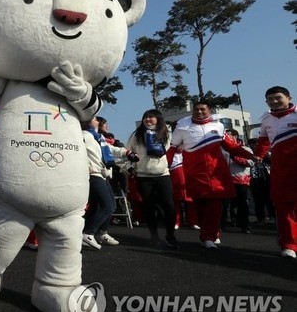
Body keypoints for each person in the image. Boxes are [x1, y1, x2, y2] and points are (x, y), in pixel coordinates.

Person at [167, 101, 259, 249]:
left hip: (217, 174)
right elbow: (172, 150)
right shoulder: (182, 128)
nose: (199, 112)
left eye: (203, 109)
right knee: (200, 207)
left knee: (215, 206)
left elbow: (232, 147)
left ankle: (209, 236)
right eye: (196, 109)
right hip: (195, 174)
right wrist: (165, 166)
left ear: (209, 110)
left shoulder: (218, 126)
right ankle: (209, 234)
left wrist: (251, 156)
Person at [81, 117, 137, 250]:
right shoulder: (85, 135)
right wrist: (84, 165)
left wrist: (126, 152)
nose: (98, 122)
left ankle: (100, 233)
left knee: (96, 207)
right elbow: (76, 150)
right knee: (108, 206)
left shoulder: (98, 137)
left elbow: (110, 149)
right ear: (88, 121)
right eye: (95, 119)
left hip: (104, 174)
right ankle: (88, 233)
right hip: (94, 174)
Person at [255, 86, 297, 258]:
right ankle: (289, 245)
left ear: (289, 97)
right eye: (270, 99)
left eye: (278, 97)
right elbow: (263, 141)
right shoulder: (266, 119)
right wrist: (257, 156)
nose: (274, 101)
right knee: (283, 207)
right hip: (280, 170)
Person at [126, 109, 178, 248]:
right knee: (148, 207)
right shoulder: (137, 135)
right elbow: (127, 152)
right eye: (145, 118)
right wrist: (128, 166)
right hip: (143, 176)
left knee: (169, 206)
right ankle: (154, 236)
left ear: (158, 119)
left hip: (163, 175)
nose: (147, 120)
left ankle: (170, 235)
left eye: (151, 118)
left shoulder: (166, 133)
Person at [224, 129, 253, 234]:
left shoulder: (246, 149)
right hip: (226, 180)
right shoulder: (223, 149)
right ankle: (225, 223)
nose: (227, 138)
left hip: (241, 180)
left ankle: (244, 225)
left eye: (229, 136)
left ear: (235, 137)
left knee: (242, 203)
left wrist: (235, 157)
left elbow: (251, 162)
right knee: (225, 203)